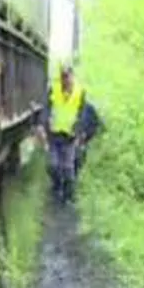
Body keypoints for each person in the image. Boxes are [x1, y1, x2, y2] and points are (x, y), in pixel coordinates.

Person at [37, 64, 102, 203]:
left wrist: (80, 133)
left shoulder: (79, 93)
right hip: (54, 135)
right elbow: (46, 109)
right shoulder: (53, 90)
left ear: (72, 77)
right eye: (63, 77)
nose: (66, 81)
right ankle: (57, 186)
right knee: (52, 166)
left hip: (70, 137)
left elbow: (82, 114)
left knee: (68, 169)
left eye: (68, 77)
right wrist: (41, 125)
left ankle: (68, 198)